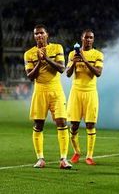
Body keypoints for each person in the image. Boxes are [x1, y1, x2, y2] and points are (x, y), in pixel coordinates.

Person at [23, 24, 72, 169]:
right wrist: (39, 61)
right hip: (40, 91)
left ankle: (63, 159)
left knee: (62, 122)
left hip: (56, 90)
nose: (39, 36)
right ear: (34, 36)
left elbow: (61, 68)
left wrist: (46, 59)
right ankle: (40, 159)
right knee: (38, 125)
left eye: (41, 33)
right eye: (36, 34)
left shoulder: (57, 48)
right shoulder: (29, 54)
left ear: (47, 34)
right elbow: (31, 76)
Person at [66, 29, 104, 166]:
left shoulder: (98, 54)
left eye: (91, 38)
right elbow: (68, 74)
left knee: (90, 124)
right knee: (74, 125)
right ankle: (76, 152)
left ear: (93, 40)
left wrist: (84, 59)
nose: (88, 39)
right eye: (86, 37)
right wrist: (75, 62)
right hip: (76, 92)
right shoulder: (72, 54)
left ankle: (89, 156)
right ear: (81, 38)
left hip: (90, 92)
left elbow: (97, 73)